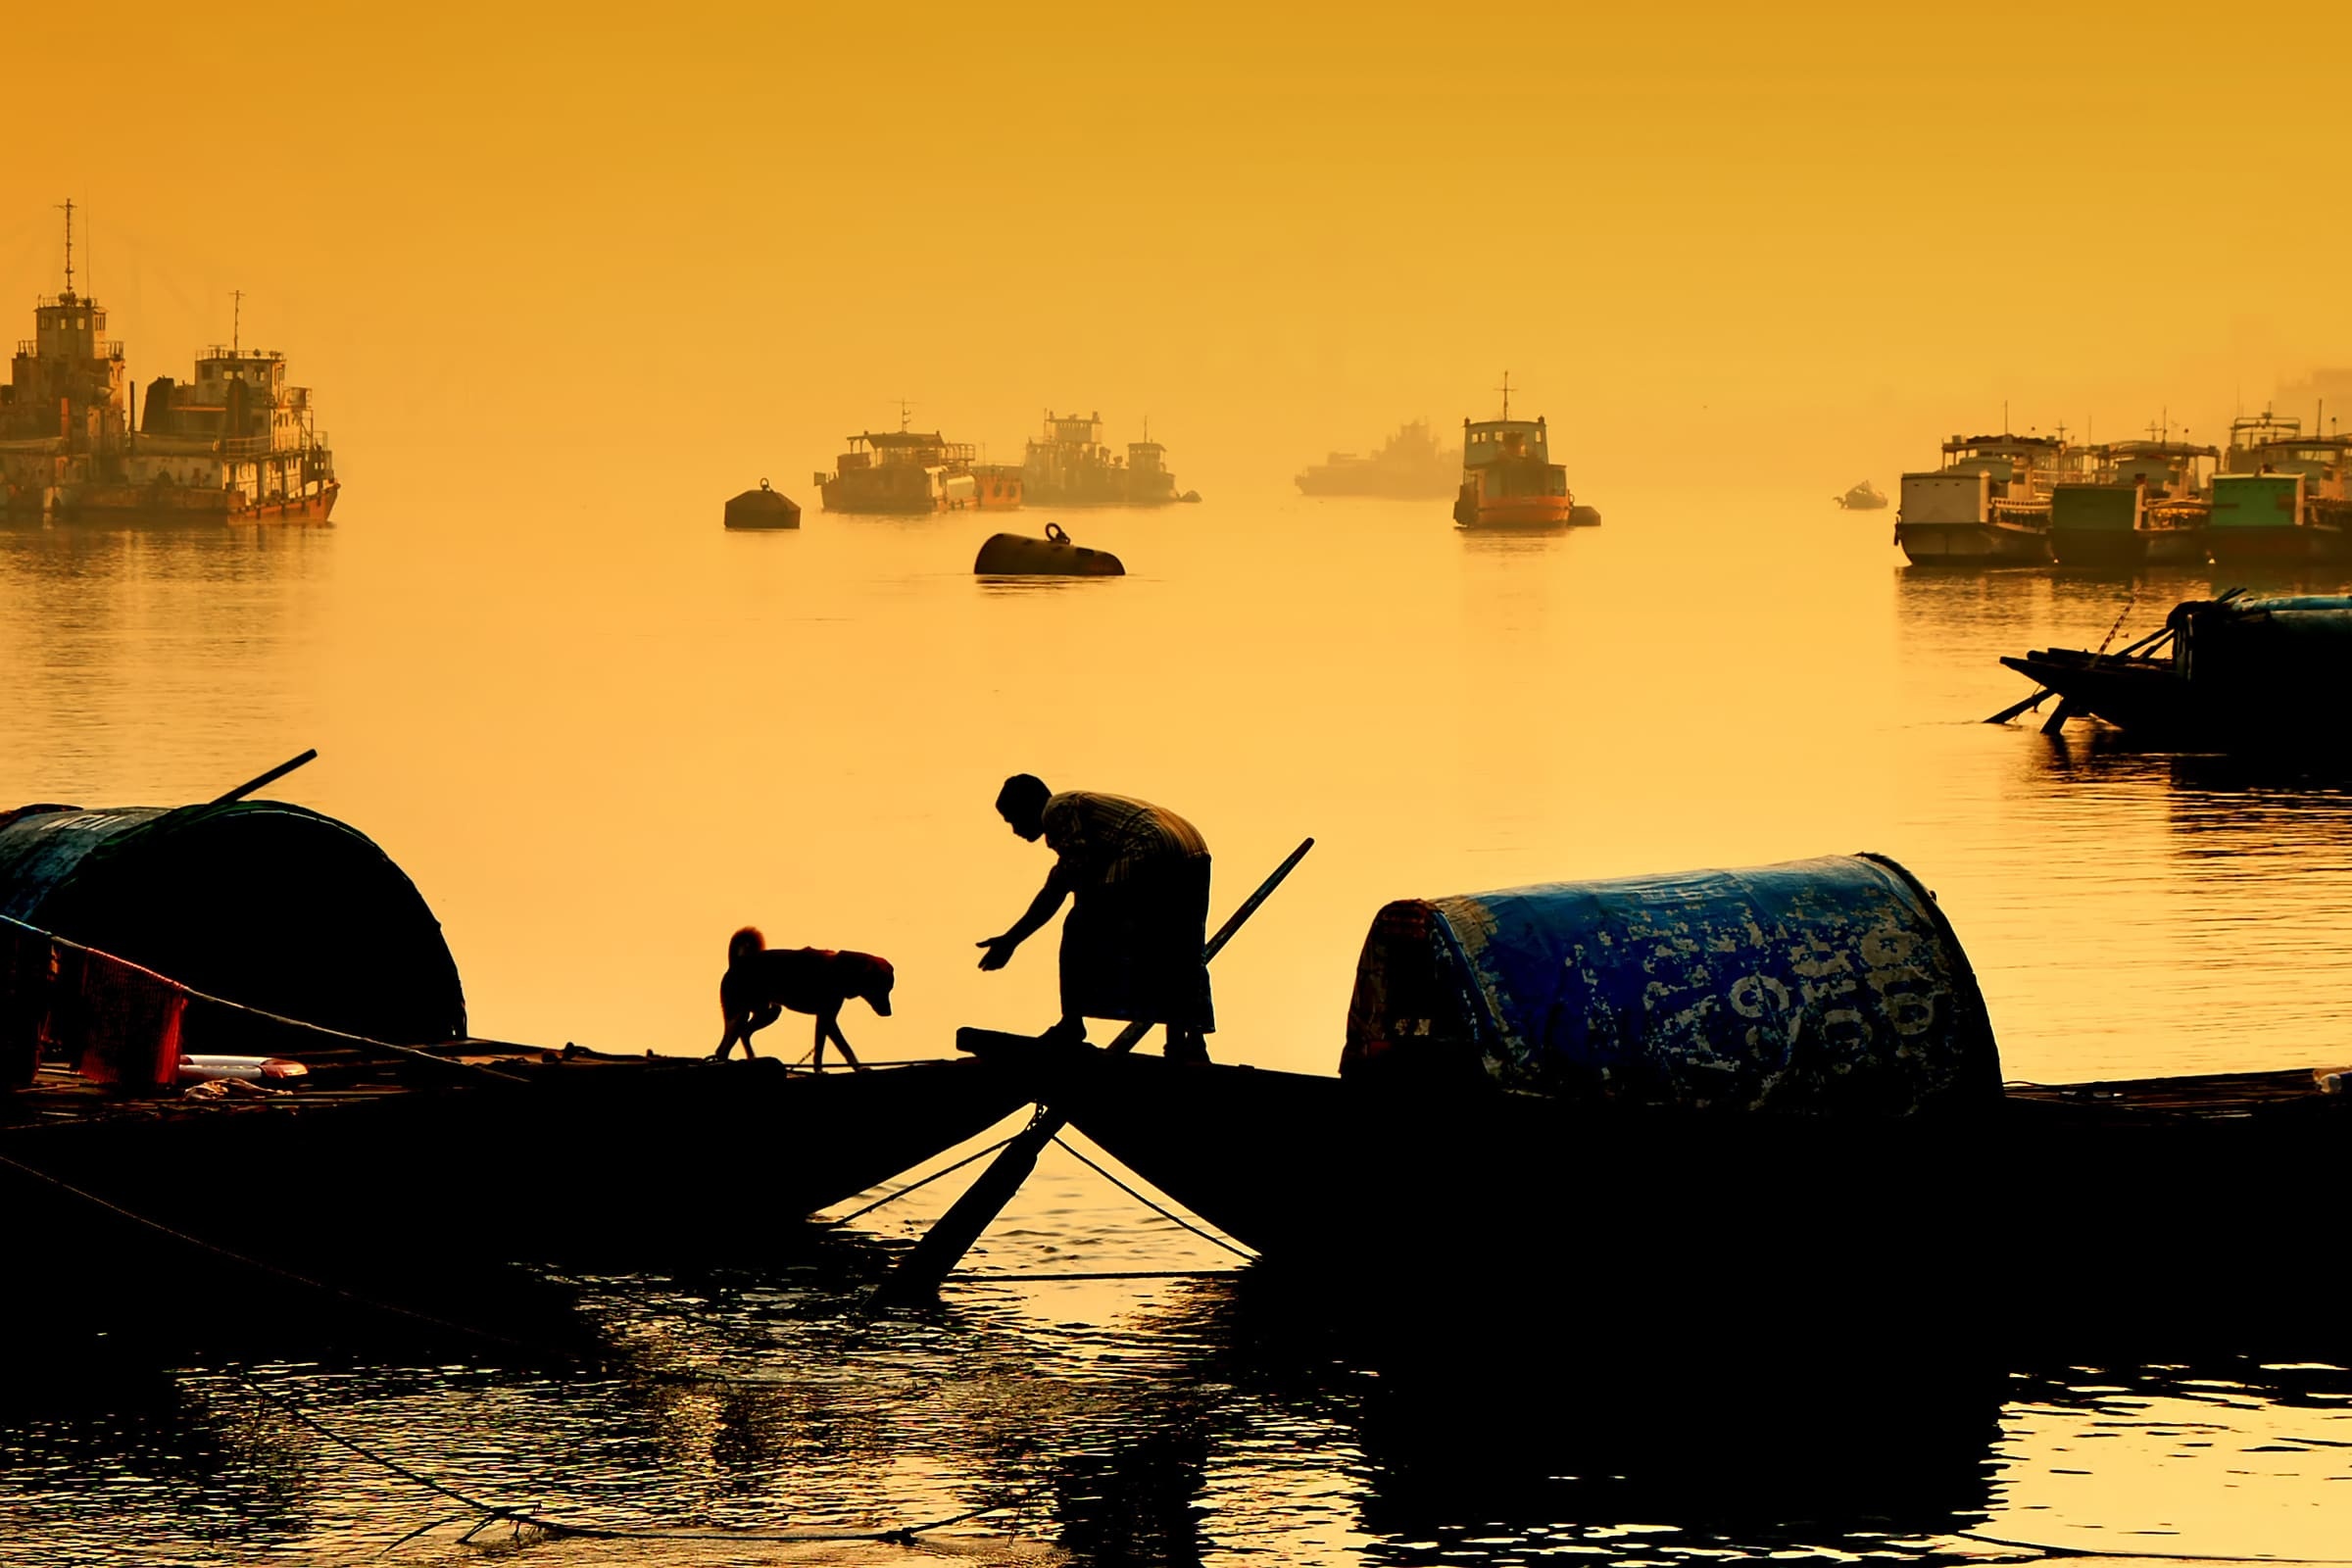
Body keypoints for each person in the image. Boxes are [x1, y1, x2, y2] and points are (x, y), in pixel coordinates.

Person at [976, 775, 1214, 1061]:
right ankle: (1187, 1042)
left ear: (1028, 806)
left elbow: (1061, 886)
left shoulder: (1056, 810)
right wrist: (1011, 939)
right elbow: (1063, 879)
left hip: (1149, 847)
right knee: (1176, 945)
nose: (1014, 830)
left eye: (1012, 819)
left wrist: (1011, 940)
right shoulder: (1085, 815)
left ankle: (1072, 1024)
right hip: (1191, 849)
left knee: (1079, 926)